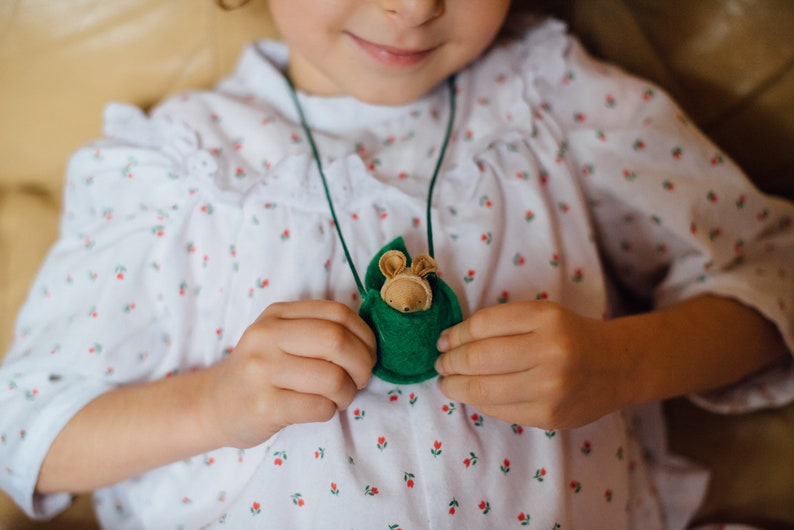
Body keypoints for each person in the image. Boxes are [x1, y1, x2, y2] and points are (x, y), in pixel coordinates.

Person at [1, 0, 792, 528]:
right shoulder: (172, 167)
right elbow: (26, 430)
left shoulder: (554, 99)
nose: (414, 7)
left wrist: (625, 364)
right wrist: (214, 406)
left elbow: (773, 274)